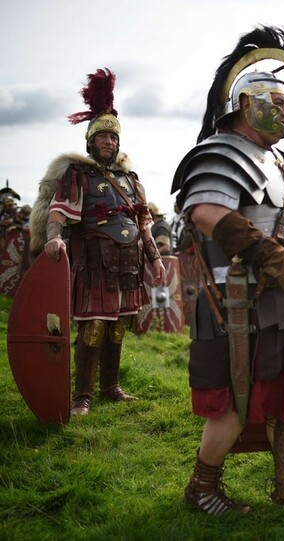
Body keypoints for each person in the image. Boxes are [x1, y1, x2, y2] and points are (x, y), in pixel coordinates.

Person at [172, 26, 284, 516]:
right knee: (233, 401)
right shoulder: (221, 151)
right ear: (248, 105)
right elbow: (204, 211)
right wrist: (269, 255)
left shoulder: (282, 162)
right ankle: (202, 486)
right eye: (279, 102)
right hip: (238, 301)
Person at [30, 68, 165, 416]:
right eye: (102, 137)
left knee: (119, 327)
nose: (109, 142)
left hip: (129, 264)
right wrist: (54, 238)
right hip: (94, 263)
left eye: (113, 138)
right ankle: (83, 396)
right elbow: (59, 212)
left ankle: (110, 387)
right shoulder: (78, 175)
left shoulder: (132, 179)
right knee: (93, 329)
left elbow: (143, 222)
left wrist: (155, 258)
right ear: (91, 142)